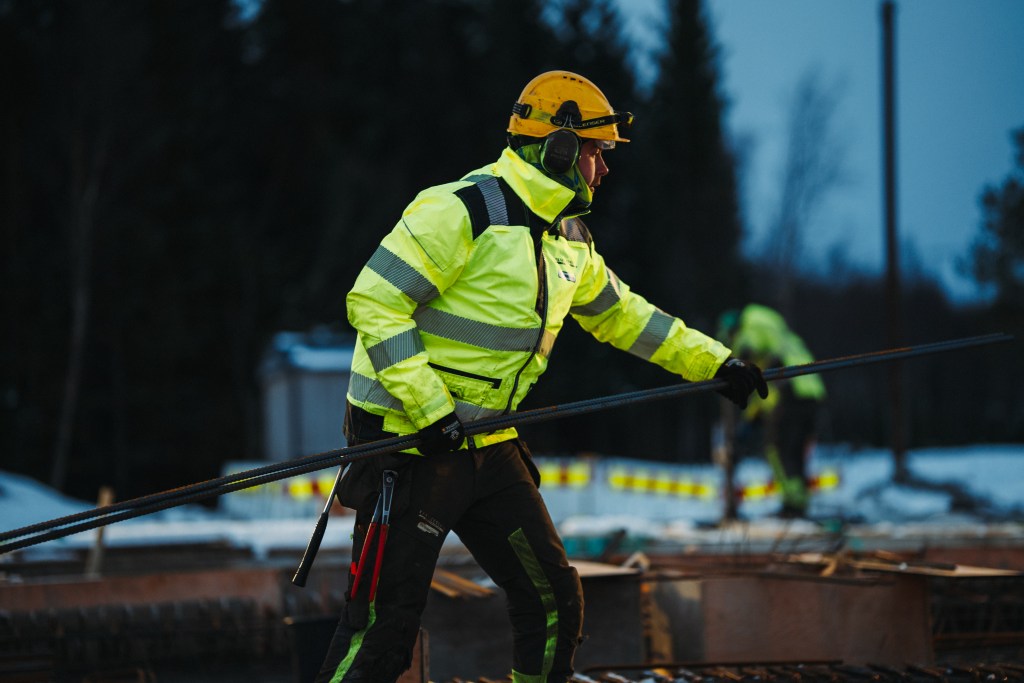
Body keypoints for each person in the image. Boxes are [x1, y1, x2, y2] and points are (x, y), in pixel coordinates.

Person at [317, 70, 768, 683]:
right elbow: (374, 300)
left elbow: (625, 317)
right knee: (382, 631)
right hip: (409, 446)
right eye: (596, 152)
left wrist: (716, 364)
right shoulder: (459, 209)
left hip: (487, 442)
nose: (603, 169)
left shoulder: (569, 237)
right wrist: (430, 411)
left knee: (554, 603)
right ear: (558, 148)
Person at [718, 303, 826, 518]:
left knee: (778, 449)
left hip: (790, 392)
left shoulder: (752, 326)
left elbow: (749, 348)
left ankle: (793, 504)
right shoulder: (779, 334)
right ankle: (798, 503)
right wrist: (751, 418)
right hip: (811, 391)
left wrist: (732, 365)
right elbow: (763, 387)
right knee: (795, 452)